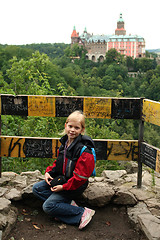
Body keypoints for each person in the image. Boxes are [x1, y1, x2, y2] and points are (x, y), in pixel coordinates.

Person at [32, 110, 95, 229]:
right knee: (37, 189)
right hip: (64, 180)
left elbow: (80, 178)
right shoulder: (65, 143)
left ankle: (81, 213)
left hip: (75, 185)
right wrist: (48, 172)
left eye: (76, 128)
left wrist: (63, 187)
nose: (72, 130)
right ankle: (67, 206)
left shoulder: (84, 150)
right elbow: (58, 163)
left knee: (48, 207)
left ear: (82, 130)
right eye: (70, 126)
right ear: (65, 126)